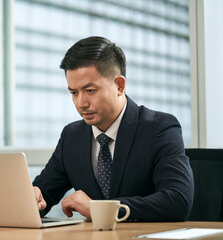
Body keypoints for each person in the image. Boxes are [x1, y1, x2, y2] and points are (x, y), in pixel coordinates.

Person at [32, 36, 194, 222]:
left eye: (90, 90)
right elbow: (42, 195)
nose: (80, 103)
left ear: (119, 85)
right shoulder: (72, 136)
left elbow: (178, 200)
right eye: (74, 93)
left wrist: (100, 209)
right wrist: (32, 199)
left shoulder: (159, 128)